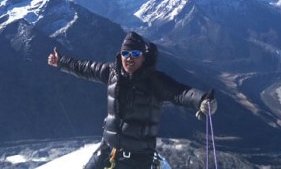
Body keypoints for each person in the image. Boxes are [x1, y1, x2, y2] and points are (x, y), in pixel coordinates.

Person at [48, 31, 217, 169]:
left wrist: (201, 100)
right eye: (125, 53)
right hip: (109, 147)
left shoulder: (154, 81)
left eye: (135, 54)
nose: (130, 58)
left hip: (138, 158)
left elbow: (181, 92)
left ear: (143, 57)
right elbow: (85, 68)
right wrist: (61, 62)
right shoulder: (112, 72)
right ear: (120, 55)